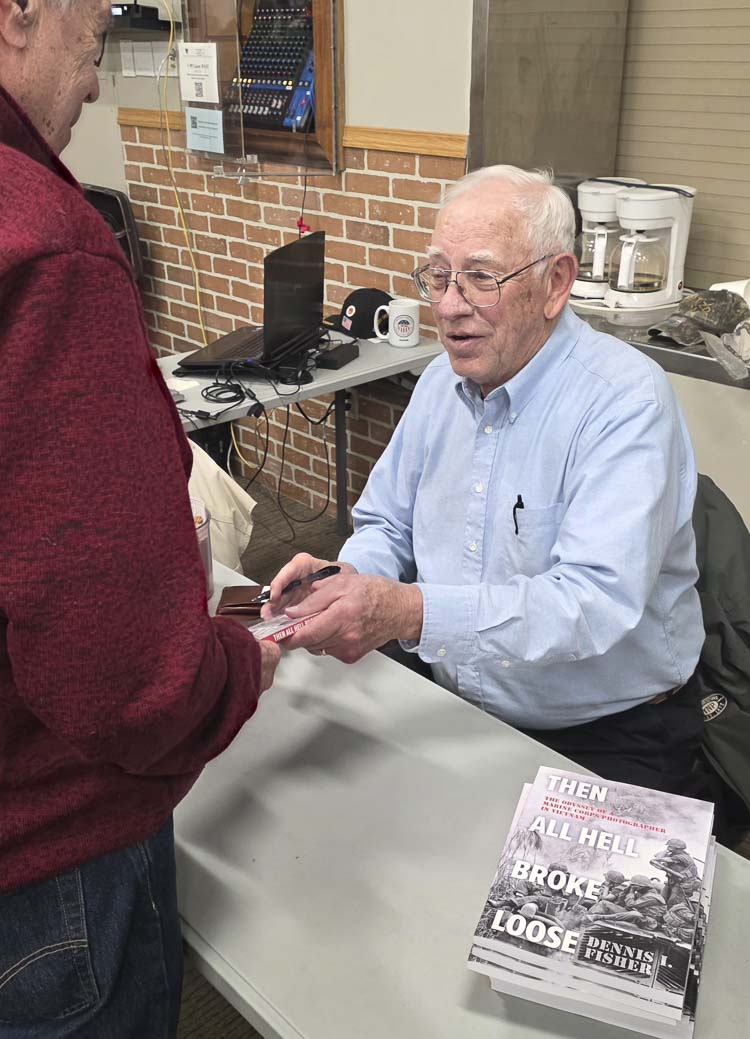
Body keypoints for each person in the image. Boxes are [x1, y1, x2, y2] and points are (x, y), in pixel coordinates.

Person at [0, 2, 281, 1035]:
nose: (96, 75)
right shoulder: (44, 245)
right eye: (96, 35)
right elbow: (124, 676)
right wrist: (236, 665)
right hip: (45, 867)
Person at [264, 163, 711, 803]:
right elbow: (388, 523)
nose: (448, 306)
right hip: (455, 700)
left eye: (480, 277)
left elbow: (590, 603)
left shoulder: (625, 402)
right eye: (439, 276)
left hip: (605, 732)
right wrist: (344, 583)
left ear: (556, 283)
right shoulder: (440, 386)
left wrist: (407, 611)